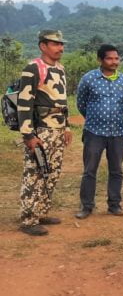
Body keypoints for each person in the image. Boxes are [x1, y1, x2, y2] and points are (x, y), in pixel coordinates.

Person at [17, 30, 73, 236]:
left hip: (57, 129)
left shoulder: (60, 69)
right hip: (40, 130)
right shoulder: (33, 68)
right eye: (55, 44)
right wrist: (28, 135)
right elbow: (24, 104)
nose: (60, 48)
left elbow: (64, 102)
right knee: (35, 174)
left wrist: (66, 127)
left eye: (61, 44)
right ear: (43, 46)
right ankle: (28, 218)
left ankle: (41, 212)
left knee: (51, 173)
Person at [74, 44, 123, 219]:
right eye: (109, 58)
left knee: (116, 171)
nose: (114, 62)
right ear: (100, 60)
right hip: (94, 133)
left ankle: (114, 205)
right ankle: (87, 206)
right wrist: (95, 117)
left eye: (116, 58)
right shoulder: (89, 79)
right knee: (89, 170)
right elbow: (81, 104)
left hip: (118, 133)